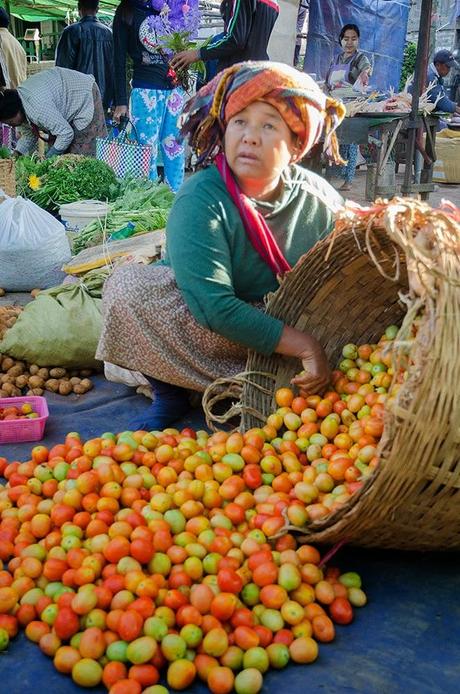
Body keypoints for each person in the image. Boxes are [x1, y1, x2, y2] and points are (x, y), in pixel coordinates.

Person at [96, 61, 346, 431]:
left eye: (269, 125)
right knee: (127, 289)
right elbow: (213, 307)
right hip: (209, 321)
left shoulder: (319, 203)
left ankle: (245, 385)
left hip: (275, 320)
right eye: (240, 122)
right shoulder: (201, 198)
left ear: (296, 145)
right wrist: (306, 347)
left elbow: (344, 275)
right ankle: (172, 393)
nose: (249, 136)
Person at [112, 0, 196, 192]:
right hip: (145, 93)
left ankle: (175, 198)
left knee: (175, 148)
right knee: (146, 152)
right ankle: (148, 200)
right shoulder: (126, 11)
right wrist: (121, 102)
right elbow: (117, 61)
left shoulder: (169, 7)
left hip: (174, 91)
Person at [0, 67, 107, 158]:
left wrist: (48, 157)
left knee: (81, 156)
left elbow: (66, 133)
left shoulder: (37, 109)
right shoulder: (21, 103)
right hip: (64, 104)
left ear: (15, 111)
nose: (11, 126)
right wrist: (16, 154)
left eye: (10, 122)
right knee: (60, 158)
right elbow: (29, 135)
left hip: (84, 96)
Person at [170, 0, 279, 76]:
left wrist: (198, 54)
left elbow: (235, 40)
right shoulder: (274, 3)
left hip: (236, 74)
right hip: (259, 71)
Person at [326, 23, 371, 191]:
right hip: (336, 103)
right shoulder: (336, 59)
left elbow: (366, 70)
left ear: (358, 41)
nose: (349, 42)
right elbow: (328, 79)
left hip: (352, 104)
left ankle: (348, 180)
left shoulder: (361, 58)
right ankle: (331, 176)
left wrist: (365, 74)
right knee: (335, 140)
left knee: (351, 142)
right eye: (346, 39)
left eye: (353, 39)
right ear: (341, 40)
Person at [55, 0, 114, 111]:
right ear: (97, 9)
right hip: (104, 97)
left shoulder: (71, 31)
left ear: (79, 9)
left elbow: (62, 68)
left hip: (78, 96)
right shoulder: (109, 33)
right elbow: (114, 67)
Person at [0, 7, 27, 148]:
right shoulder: (17, 43)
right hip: (19, 107)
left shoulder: (0, 41)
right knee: (15, 147)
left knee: (4, 150)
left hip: (4, 107)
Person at [425, 49, 460, 115]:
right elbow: (440, 100)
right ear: (438, 65)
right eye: (447, 67)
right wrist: (456, 108)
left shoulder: (435, 75)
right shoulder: (430, 76)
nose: (449, 70)